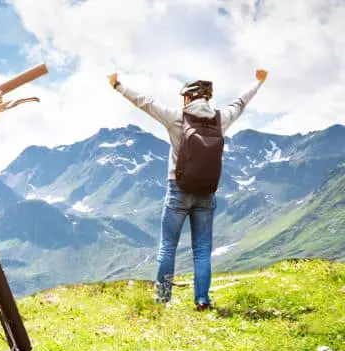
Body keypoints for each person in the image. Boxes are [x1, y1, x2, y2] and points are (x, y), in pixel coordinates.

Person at [108, 69, 268, 310]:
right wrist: (258, 82)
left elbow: (145, 103)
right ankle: (202, 300)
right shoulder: (220, 118)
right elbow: (240, 103)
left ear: (189, 97)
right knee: (202, 250)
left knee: (168, 247)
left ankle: (163, 300)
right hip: (206, 192)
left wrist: (117, 85)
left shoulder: (177, 117)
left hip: (178, 189)